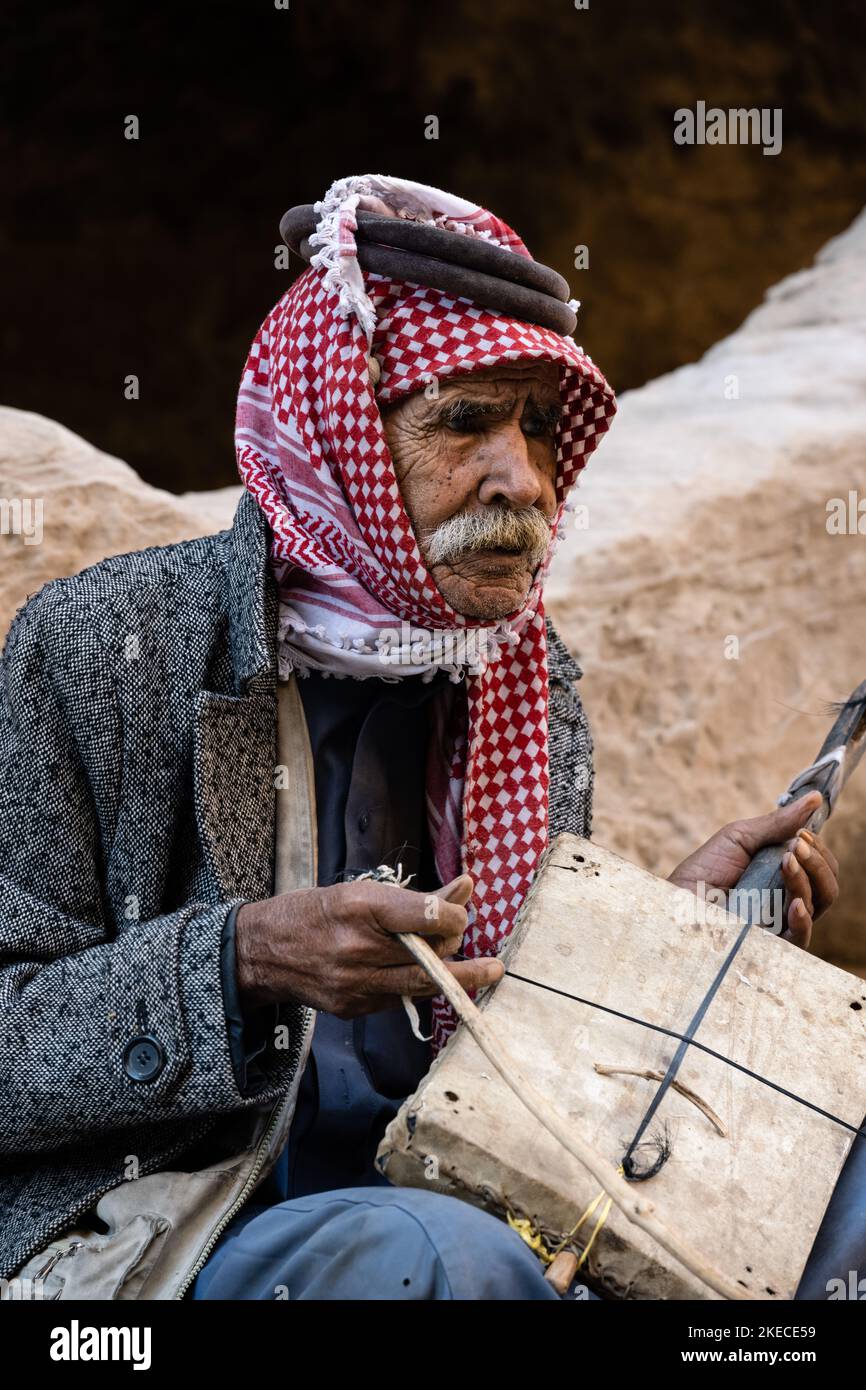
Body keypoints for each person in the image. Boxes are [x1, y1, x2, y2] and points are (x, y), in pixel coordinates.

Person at [0, 175, 838, 1301]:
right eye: (463, 422)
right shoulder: (105, 651)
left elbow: (520, 1039)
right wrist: (239, 960)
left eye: (539, 429)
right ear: (332, 434)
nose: (523, 481)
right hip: (176, 1233)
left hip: (490, 1195)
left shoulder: (527, 684)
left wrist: (665, 934)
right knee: (435, 1260)